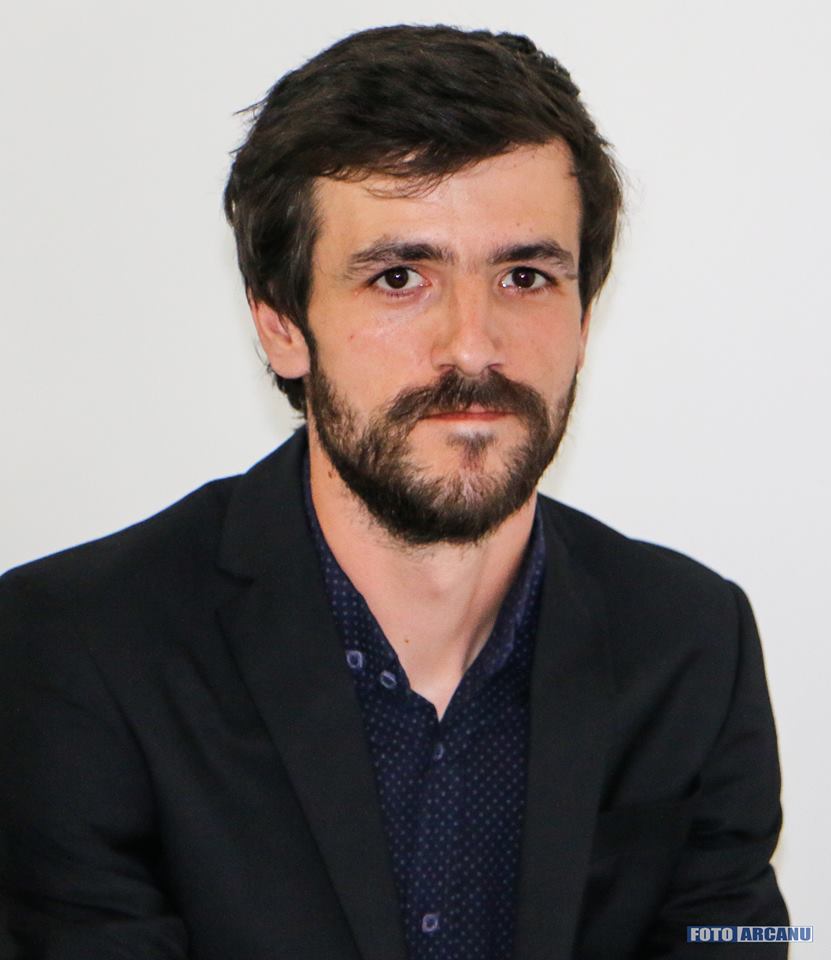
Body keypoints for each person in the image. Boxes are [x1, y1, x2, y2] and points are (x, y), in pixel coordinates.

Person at [0, 23, 787, 960]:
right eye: (400, 277)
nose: (473, 346)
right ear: (281, 324)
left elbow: (740, 934)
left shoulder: (692, 643)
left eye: (525, 276)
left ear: (584, 317)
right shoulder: (76, 650)